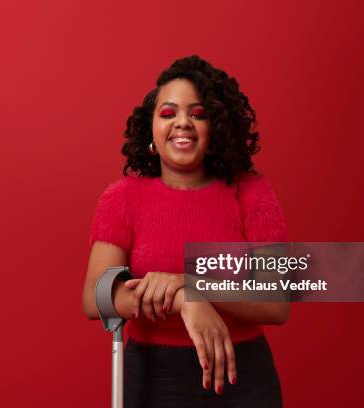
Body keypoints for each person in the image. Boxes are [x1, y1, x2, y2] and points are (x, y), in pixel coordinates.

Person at [82, 55, 289, 407]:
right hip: (153, 377)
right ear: (151, 129)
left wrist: (194, 285)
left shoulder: (252, 193)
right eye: (168, 114)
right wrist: (182, 301)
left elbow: (276, 301)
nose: (183, 124)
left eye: (198, 114)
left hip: (242, 377)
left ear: (217, 127)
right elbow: (96, 297)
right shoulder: (123, 198)